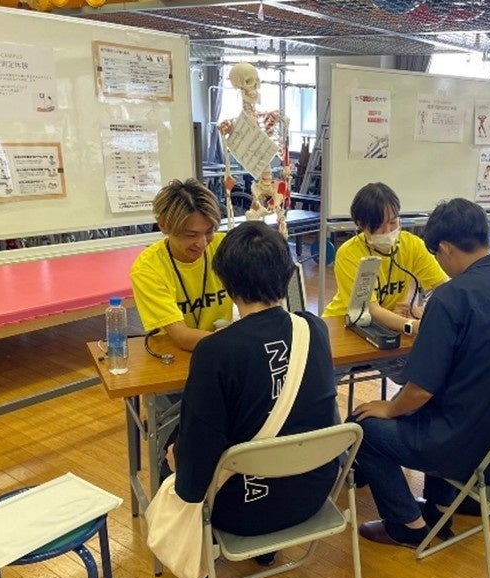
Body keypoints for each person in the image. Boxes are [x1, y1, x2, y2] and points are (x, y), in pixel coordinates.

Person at [350, 197, 490, 548]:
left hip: (470, 454)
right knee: (448, 405)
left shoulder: (451, 297)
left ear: (444, 248)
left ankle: (407, 526)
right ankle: (442, 506)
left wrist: (389, 408)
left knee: (363, 426)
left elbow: (420, 390)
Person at [172, 221, 340, 538]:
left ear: (226, 281)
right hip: (315, 493)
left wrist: (177, 465)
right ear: (288, 275)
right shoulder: (314, 328)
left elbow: (198, 451)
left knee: (174, 450)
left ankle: (203, 554)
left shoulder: (215, 351)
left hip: (242, 511)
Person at [322, 182, 447, 336]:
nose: (388, 231)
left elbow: (443, 287)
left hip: (388, 325)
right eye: (379, 226)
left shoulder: (412, 245)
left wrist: (422, 311)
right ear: (361, 225)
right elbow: (371, 310)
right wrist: (413, 325)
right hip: (344, 323)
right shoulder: (349, 253)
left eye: (393, 222)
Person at [130, 178, 233, 352]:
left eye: (209, 232)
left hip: (223, 350)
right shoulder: (148, 269)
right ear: (164, 226)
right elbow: (182, 337)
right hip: (175, 353)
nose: (202, 243)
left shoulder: (225, 247)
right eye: (191, 235)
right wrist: (240, 341)